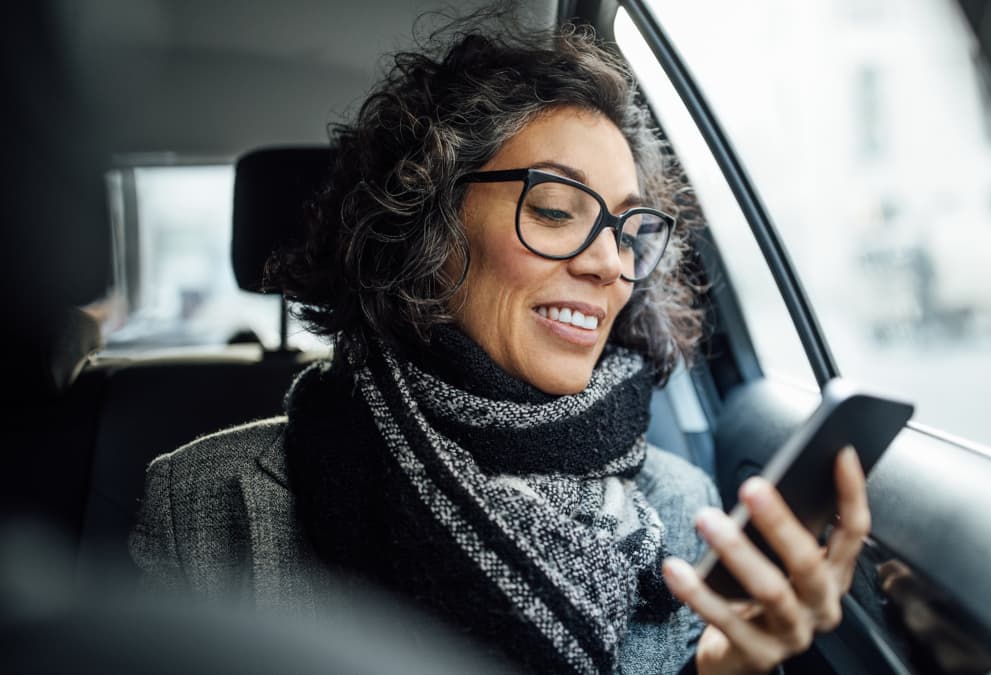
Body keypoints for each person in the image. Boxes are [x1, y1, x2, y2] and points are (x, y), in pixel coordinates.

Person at [129, 18, 871, 675]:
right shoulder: (206, 501)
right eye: (556, 209)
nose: (609, 265)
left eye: (627, 229)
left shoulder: (686, 506)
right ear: (427, 227)